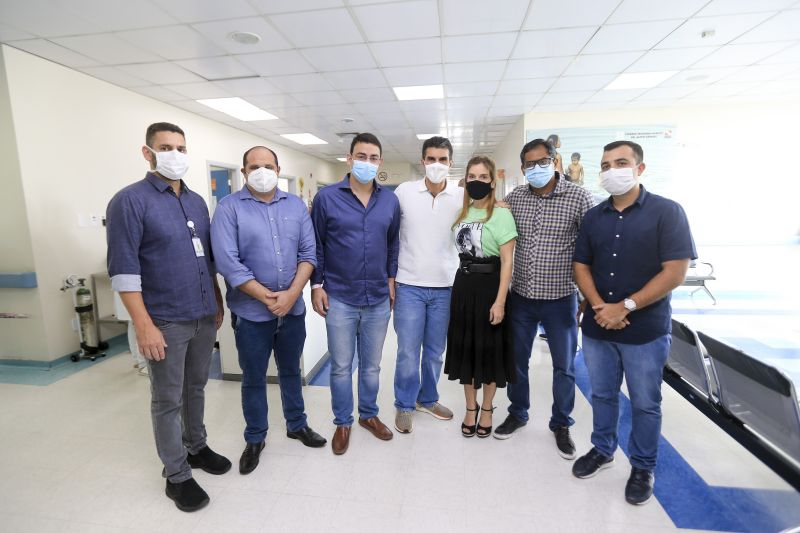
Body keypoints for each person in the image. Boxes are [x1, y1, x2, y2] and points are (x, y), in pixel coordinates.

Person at [106, 122, 230, 513]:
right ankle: (176, 475)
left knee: (196, 387)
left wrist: (216, 301)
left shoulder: (195, 202)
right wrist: (143, 325)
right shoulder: (130, 201)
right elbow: (124, 271)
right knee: (167, 399)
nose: (174, 154)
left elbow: (205, 259)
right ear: (148, 153)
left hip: (201, 314)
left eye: (180, 147)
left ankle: (196, 446)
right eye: (165, 147)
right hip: (164, 320)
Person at [571, 140, 696, 505]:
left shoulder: (667, 212)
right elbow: (581, 265)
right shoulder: (595, 217)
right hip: (597, 326)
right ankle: (602, 449)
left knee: (644, 402)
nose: (613, 170)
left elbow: (675, 271)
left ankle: (643, 466)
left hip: (644, 330)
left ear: (640, 168)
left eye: (621, 163)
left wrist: (624, 307)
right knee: (603, 394)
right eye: (606, 165)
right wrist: (599, 306)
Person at [211, 145, 327, 475]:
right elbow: (228, 263)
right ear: (244, 172)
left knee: (291, 371)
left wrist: (291, 295)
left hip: (292, 311)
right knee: (253, 377)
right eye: (254, 166)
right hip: (250, 315)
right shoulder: (228, 209)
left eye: (268, 165)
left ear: (278, 168)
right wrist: (268, 298)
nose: (262, 171)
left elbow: (309, 254)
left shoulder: (295, 206)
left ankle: (296, 424)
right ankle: (256, 437)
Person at [495, 139, 594, 461]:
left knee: (564, 367)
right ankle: (518, 412)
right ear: (523, 168)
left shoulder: (578, 198)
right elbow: (500, 231)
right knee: (517, 363)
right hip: (522, 296)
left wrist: (588, 295)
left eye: (543, 161)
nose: (536, 168)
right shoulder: (516, 198)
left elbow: (592, 248)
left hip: (560, 298)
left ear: (554, 161)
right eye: (529, 164)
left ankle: (561, 423)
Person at [310, 132, 401, 455]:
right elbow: (316, 245)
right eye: (361, 156)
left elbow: (393, 244)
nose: (367, 162)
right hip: (339, 297)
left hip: (377, 297)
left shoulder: (389, 200)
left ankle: (369, 415)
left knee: (372, 366)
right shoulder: (327, 198)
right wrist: (317, 285)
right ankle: (343, 422)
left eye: (373, 157)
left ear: (380, 162)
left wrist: (392, 279)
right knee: (340, 366)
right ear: (349, 159)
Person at [392, 136, 462, 434]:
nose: (436, 164)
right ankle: (404, 405)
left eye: (442, 159)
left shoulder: (461, 197)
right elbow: (389, 235)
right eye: (431, 159)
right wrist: (390, 278)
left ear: (450, 163)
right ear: (423, 161)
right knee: (408, 351)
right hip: (409, 284)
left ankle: (428, 399)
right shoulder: (404, 192)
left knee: (434, 351)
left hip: (445, 286)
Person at [444, 156, 517, 438]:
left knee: (488, 351)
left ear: (491, 181)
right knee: (467, 350)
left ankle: (487, 408)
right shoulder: (461, 213)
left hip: (490, 288)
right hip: (463, 287)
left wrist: (500, 301)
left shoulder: (502, 214)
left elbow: (508, 261)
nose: (477, 181)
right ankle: (470, 407)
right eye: (472, 176)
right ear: (465, 180)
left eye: (483, 177)